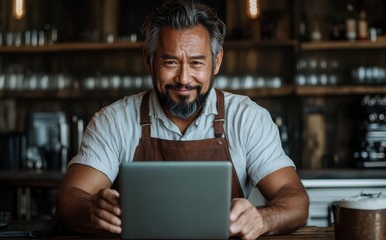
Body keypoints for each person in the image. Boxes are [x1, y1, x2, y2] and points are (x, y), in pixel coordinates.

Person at [56, 0, 309, 239]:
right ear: (149, 61)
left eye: (197, 63)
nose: (184, 78)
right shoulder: (113, 121)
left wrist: (263, 219)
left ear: (217, 61)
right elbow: (71, 197)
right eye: (170, 62)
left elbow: (294, 198)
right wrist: (92, 211)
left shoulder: (247, 118)